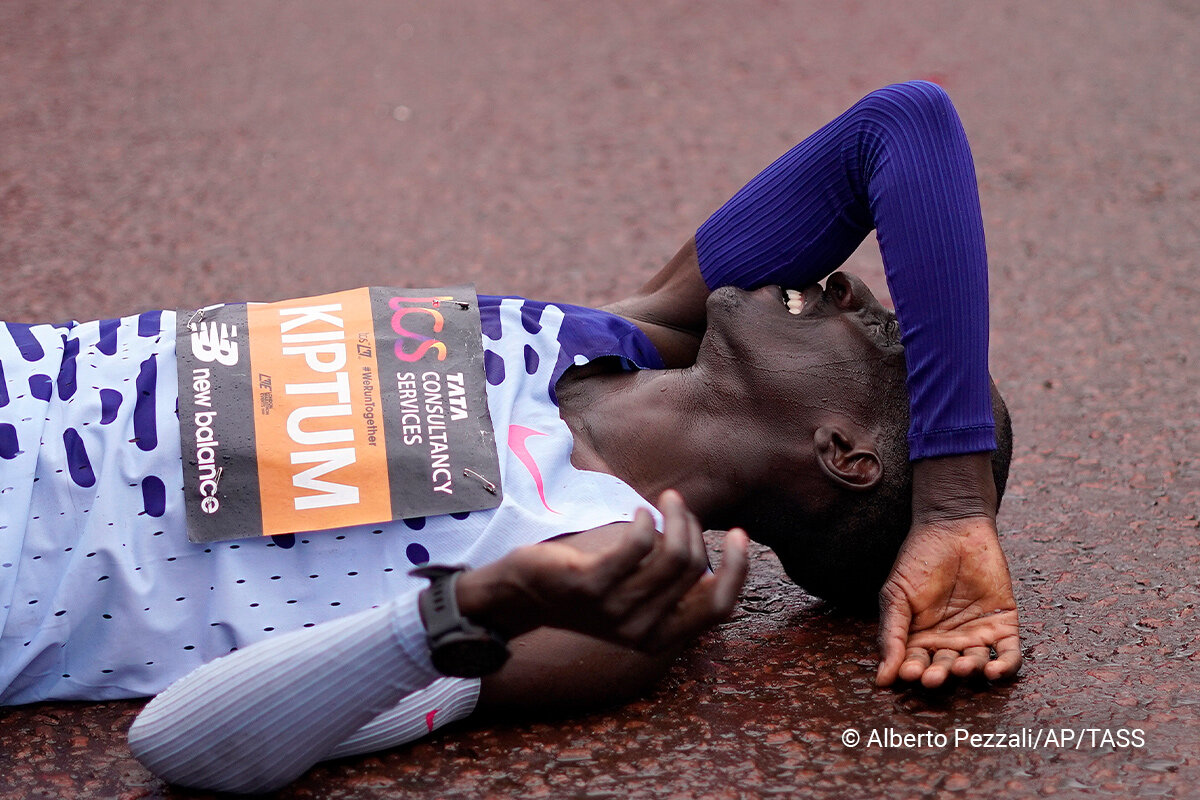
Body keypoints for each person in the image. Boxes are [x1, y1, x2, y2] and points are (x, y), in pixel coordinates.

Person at [0, 80, 1019, 792]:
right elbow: (906, 124)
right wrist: (956, 502)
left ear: (845, 451)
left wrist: (477, 603)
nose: (848, 279)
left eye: (883, 335)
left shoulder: (602, 590)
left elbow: (184, 744)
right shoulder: (610, 334)